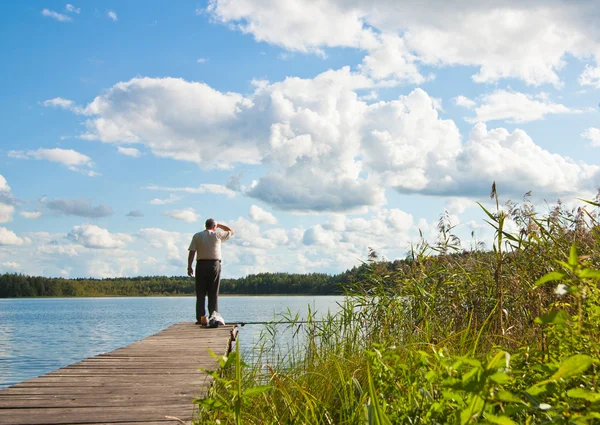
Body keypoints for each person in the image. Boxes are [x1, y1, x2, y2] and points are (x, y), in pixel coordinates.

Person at [187, 218, 234, 326]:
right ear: (214, 226)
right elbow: (231, 231)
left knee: (200, 293)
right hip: (214, 264)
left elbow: (192, 252)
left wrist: (189, 266)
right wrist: (219, 225)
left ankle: (201, 318)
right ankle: (213, 317)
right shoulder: (217, 235)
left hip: (201, 264)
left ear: (205, 225)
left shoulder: (197, 236)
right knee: (213, 292)